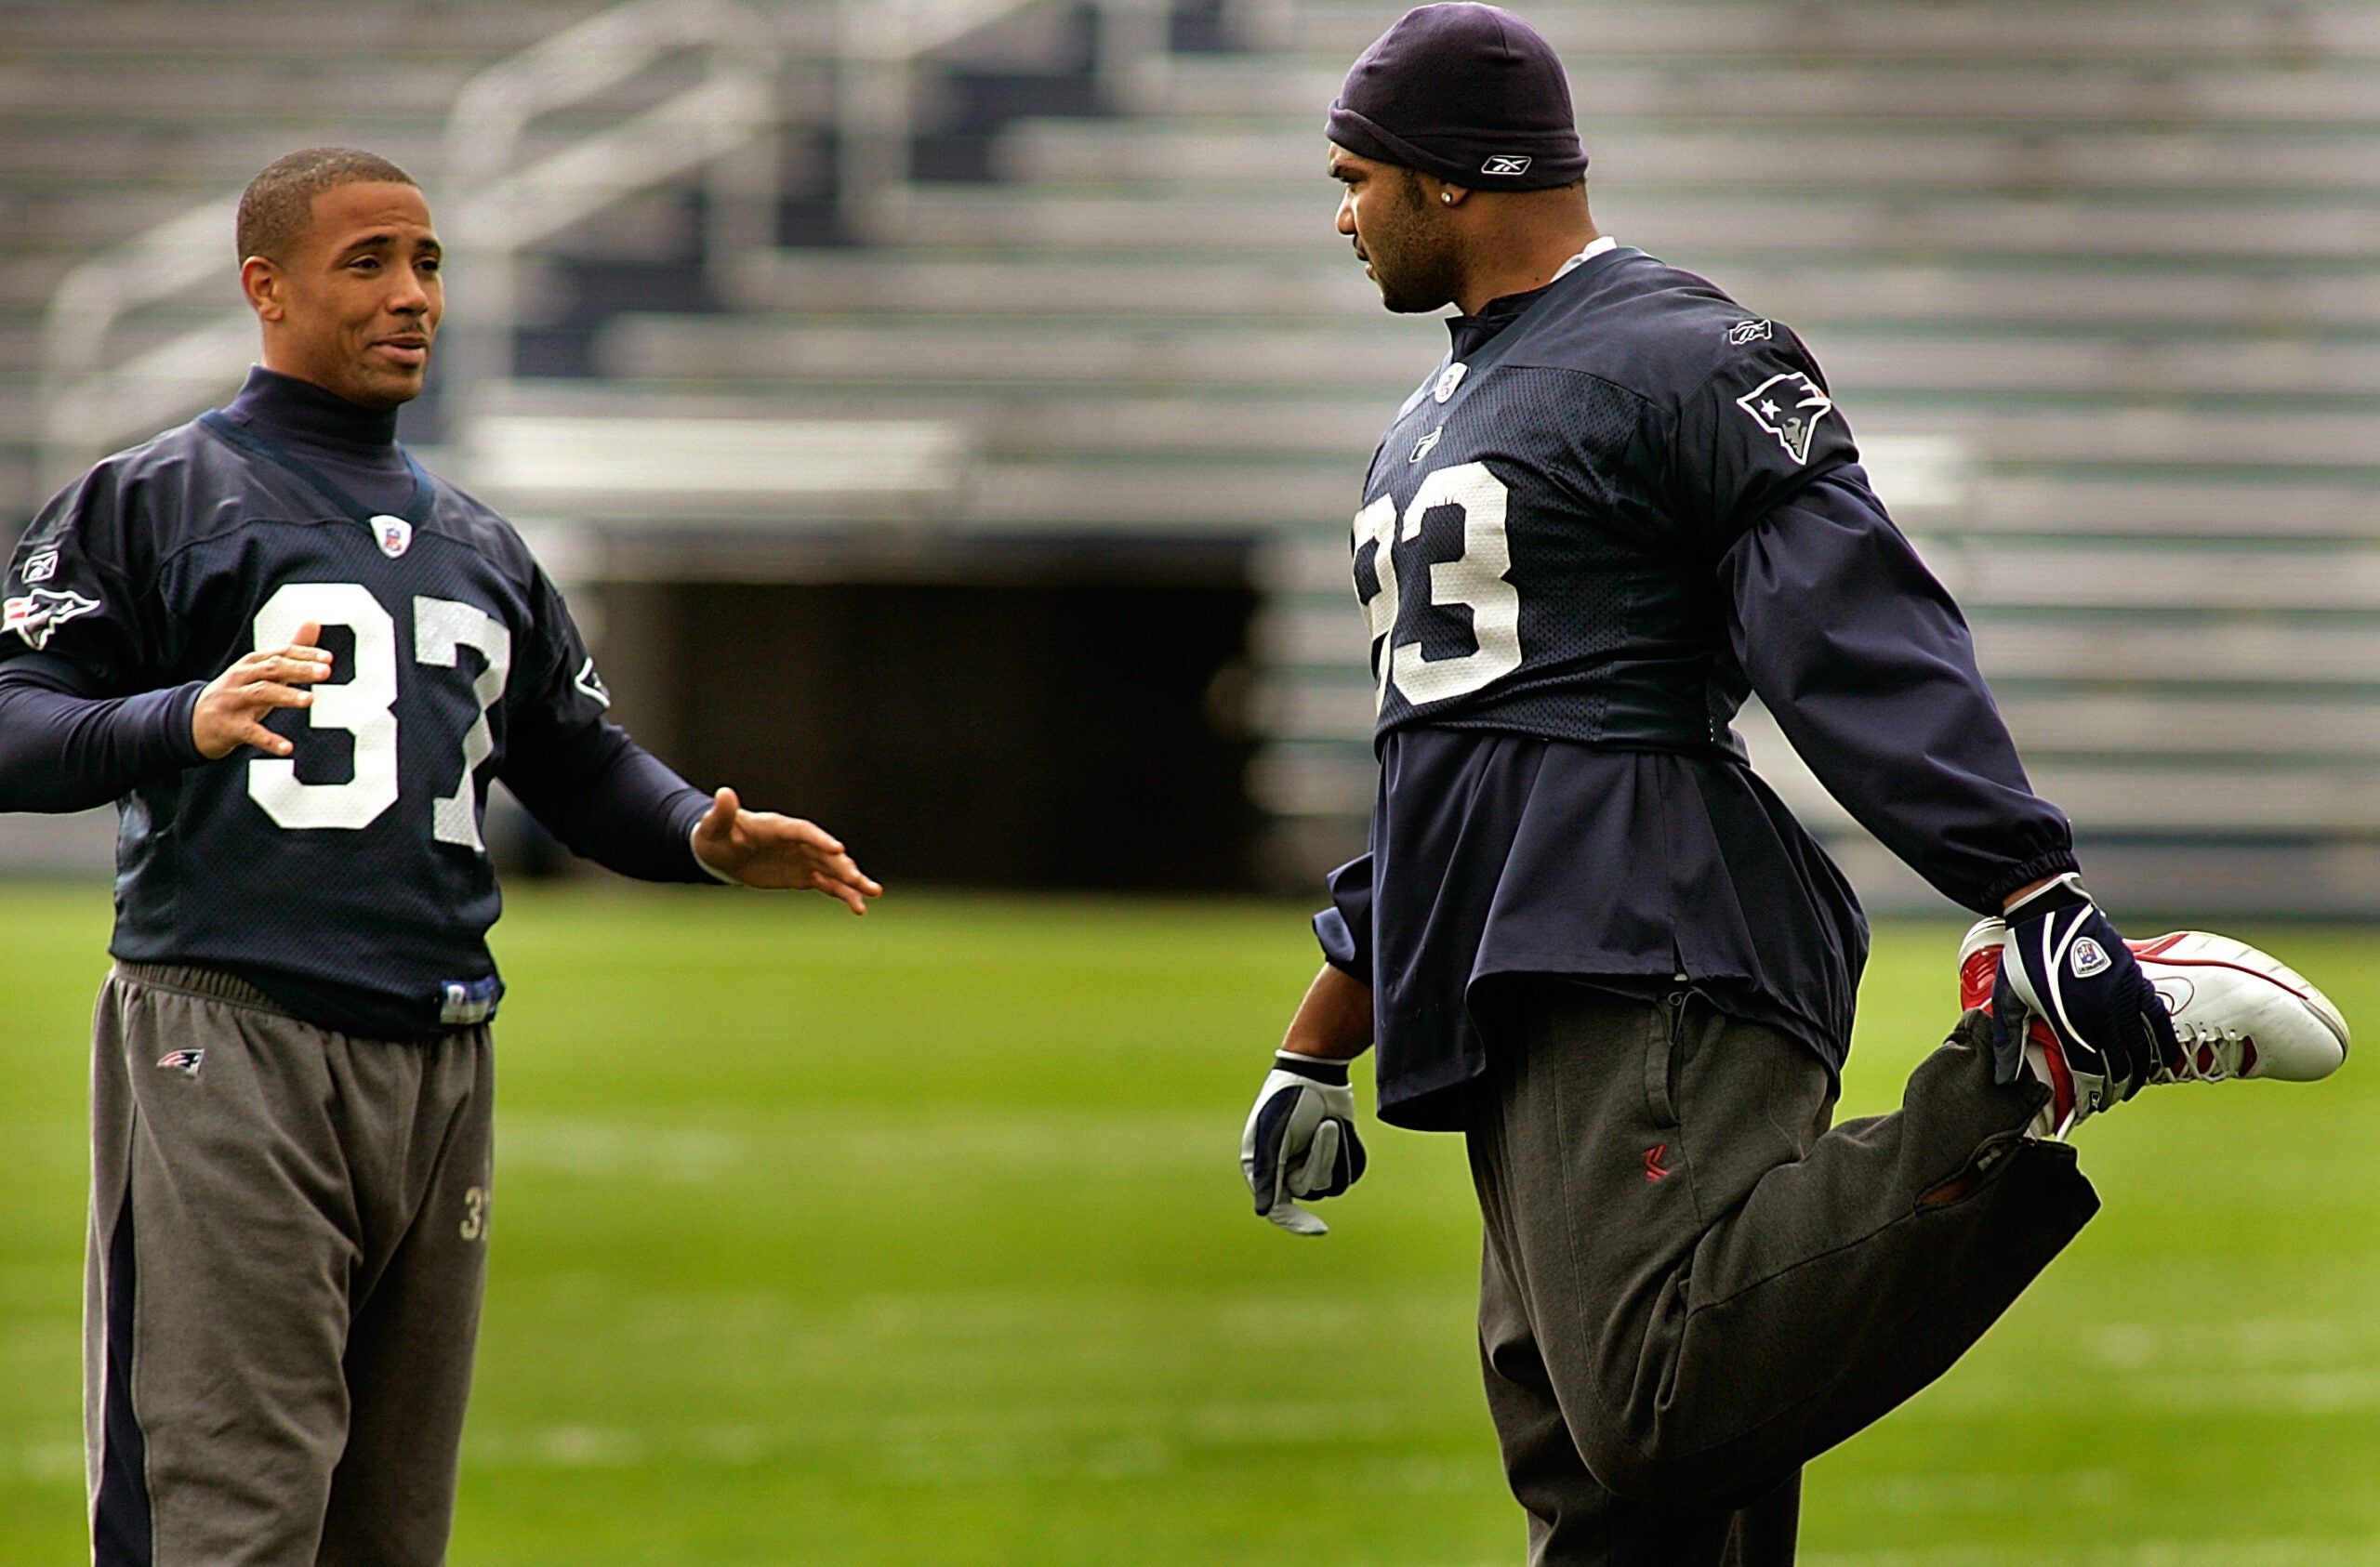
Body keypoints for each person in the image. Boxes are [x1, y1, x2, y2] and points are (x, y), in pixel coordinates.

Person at [1236, 9, 2348, 1564]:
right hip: (1505, 965)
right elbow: (1441, 753)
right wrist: (1320, 1037)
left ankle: (2018, 1068)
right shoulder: (1429, 416)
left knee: (1657, 1401)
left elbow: (1846, 621)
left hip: (1650, 923)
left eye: (1357, 176)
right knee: (1609, 1493)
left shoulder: (1684, 350)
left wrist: (2028, 888)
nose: (1339, 214)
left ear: (1453, 181)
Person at [0, 147, 881, 1567]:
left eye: (428, 264)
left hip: (439, 1054)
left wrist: (694, 837)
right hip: (234, 1034)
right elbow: (11, 719)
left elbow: (576, 756)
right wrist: (180, 716)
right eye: (370, 264)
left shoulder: (477, 541)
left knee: (390, 1530)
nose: (413, 296)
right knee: (227, 1512)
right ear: (264, 288)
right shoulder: (156, 498)